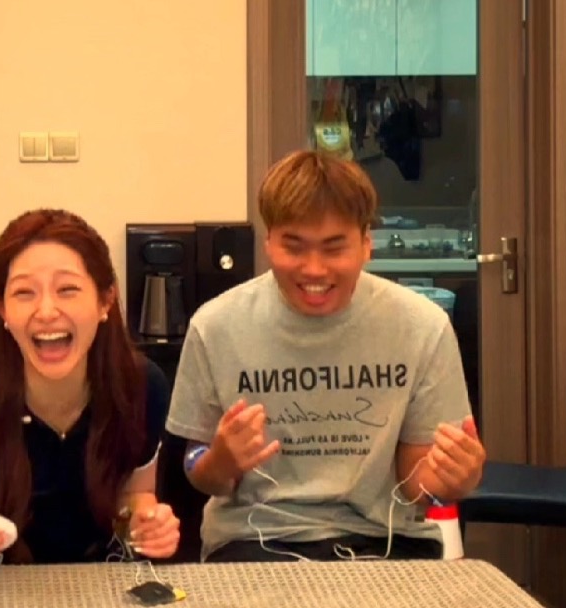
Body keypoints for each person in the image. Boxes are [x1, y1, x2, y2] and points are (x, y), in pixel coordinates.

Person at [166, 150, 486, 562]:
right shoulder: (215, 327)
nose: (314, 269)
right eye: (294, 247)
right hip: (255, 540)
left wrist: (452, 480)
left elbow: (416, 485)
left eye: (334, 248)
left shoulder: (422, 326)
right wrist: (220, 463)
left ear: (366, 245)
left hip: (386, 541)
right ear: (268, 243)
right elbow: (196, 466)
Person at [0, 209, 180, 567]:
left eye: (67, 290)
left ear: (105, 300)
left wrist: (145, 523)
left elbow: (133, 496)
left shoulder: (141, 387)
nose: (46, 311)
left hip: (103, 583)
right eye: (24, 292)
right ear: (2, 309)